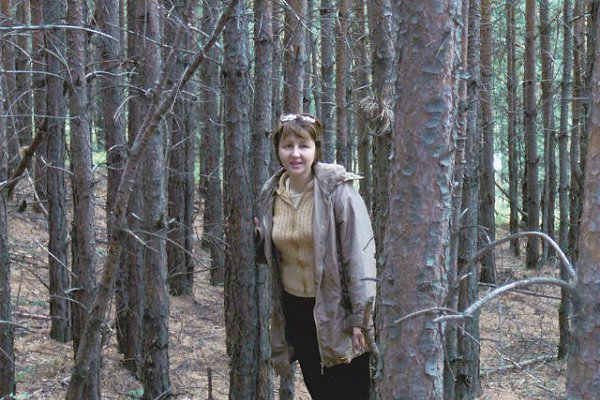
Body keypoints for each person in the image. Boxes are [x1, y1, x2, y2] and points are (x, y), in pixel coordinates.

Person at [255, 113, 377, 399]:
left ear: (316, 149)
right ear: (278, 149)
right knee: (320, 390)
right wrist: (257, 237)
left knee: (352, 391)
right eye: (287, 146)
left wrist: (360, 319)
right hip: (296, 310)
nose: (295, 154)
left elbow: (360, 257)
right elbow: (271, 256)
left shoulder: (338, 191)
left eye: (303, 145)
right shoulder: (271, 193)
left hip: (338, 310)